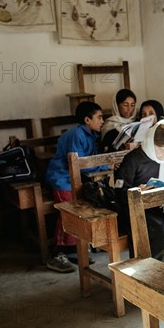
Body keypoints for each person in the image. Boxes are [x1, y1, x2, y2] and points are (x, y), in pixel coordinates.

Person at [114, 119, 164, 264]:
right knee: (162, 235)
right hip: (139, 212)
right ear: (150, 141)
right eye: (161, 150)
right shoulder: (134, 159)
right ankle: (153, 275)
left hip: (163, 210)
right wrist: (136, 191)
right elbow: (119, 193)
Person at [45, 101, 105, 273]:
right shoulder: (77, 134)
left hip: (74, 179)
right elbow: (78, 164)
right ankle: (55, 254)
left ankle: (71, 249)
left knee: (81, 209)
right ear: (87, 119)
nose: (102, 121)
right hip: (62, 179)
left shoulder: (90, 134)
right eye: (99, 117)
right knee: (69, 212)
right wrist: (103, 165)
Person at [100, 88, 137, 153]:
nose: (129, 109)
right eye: (125, 105)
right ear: (117, 105)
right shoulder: (110, 126)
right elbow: (106, 150)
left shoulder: (138, 123)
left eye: (132, 105)